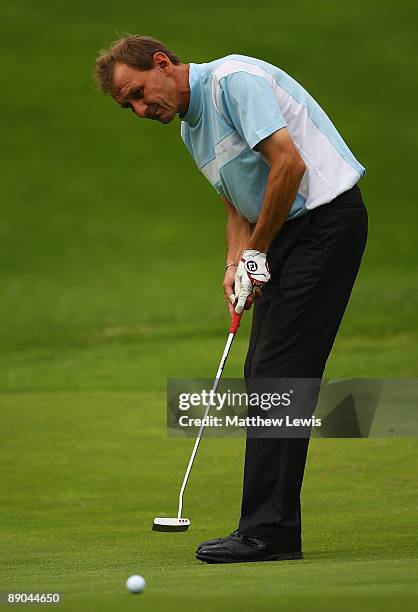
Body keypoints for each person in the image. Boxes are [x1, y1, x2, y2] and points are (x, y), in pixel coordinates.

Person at [96, 35, 368, 564]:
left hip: (325, 224)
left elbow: (289, 166)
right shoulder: (189, 131)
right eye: (125, 105)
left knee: (278, 373)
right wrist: (235, 264)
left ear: (161, 63)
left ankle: (270, 533)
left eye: (136, 92)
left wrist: (257, 252)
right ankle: (270, 528)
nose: (137, 109)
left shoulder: (233, 83)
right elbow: (238, 206)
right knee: (266, 372)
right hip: (283, 233)